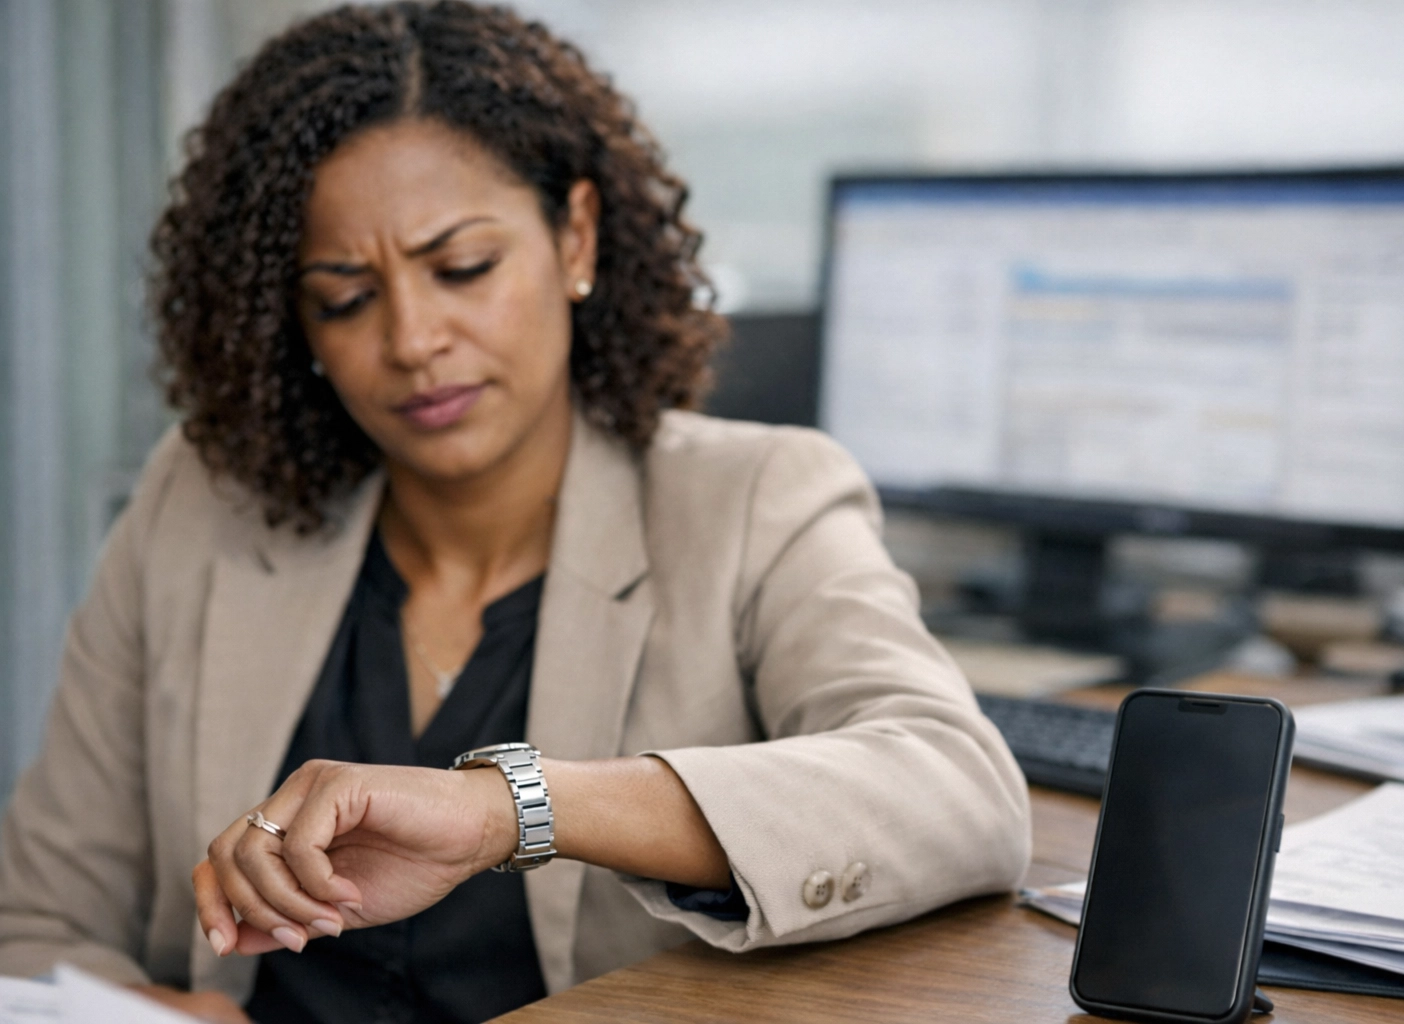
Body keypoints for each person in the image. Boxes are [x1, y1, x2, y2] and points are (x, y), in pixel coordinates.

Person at [0, 2, 1030, 1021]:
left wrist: (510, 809)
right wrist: (144, 1013)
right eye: (346, 297)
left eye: (463, 268)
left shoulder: (755, 501)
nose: (413, 339)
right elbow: (36, 918)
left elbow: (960, 795)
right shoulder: (202, 500)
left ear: (575, 236)